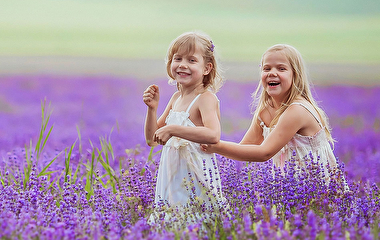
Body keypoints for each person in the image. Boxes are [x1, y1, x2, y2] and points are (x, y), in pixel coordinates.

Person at [201, 43, 338, 172]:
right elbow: (245, 148)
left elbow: (264, 153)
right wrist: (204, 142)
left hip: (317, 185)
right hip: (289, 185)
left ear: (295, 75)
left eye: (281, 68)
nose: (272, 73)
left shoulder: (297, 110)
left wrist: (216, 146)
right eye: (267, 69)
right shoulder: (265, 111)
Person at [143, 31, 224, 211]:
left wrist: (173, 129)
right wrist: (152, 109)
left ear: (207, 68)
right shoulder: (176, 98)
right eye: (177, 59)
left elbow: (213, 135)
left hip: (196, 177)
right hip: (172, 179)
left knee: (196, 216)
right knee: (172, 217)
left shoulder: (205, 98)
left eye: (191, 60)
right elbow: (152, 139)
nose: (182, 65)